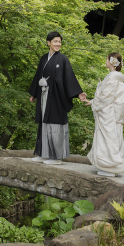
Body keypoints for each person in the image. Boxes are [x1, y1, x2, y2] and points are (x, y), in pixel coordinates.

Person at [28, 32, 87, 165]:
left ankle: (56, 157)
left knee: (54, 124)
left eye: (59, 42)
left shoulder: (63, 59)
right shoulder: (44, 58)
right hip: (44, 95)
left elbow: (69, 78)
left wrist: (78, 93)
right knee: (44, 123)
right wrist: (34, 94)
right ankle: (44, 154)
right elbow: (38, 76)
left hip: (57, 97)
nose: (58, 44)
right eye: (55, 41)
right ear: (48, 42)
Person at [84, 52, 124, 176]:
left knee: (108, 138)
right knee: (110, 137)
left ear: (111, 61)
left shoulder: (112, 77)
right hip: (109, 112)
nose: (105, 61)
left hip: (108, 113)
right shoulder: (114, 77)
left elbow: (106, 96)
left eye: (107, 59)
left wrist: (93, 102)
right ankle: (106, 164)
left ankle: (109, 166)